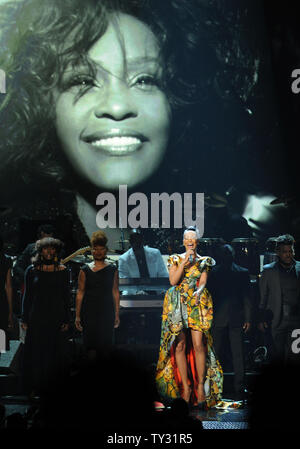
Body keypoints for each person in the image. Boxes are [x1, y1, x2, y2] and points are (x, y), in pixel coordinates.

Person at [0, 0, 258, 248]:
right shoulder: (14, 241)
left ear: (180, 97)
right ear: (42, 105)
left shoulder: (222, 240)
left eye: (144, 80)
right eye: (82, 81)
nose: (117, 106)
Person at [156, 226, 223, 409]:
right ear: (184, 241)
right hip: (177, 304)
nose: (190, 241)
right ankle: (185, 387)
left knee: (198, 344)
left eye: (193, 238)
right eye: (187, 238)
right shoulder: (176, 259)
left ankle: (200, 387)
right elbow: (173, 281)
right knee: (179, 344)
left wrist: (199, 292)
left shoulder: (204, 261)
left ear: (197, 242)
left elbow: (202, 282)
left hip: (196, 303)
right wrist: (184, 263)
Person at [21, 237, 70, 396]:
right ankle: (36, 386)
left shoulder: (63, 270)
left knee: (53, 352)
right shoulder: (31, 270)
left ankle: (52, 388)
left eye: (52, 248)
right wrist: (24, 318)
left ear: (56, 250)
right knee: (37, 352)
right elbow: (27, 296)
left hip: (55, 316)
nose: (49, 252)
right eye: (45, 249)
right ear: (40, 251)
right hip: (37, 316)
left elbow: (66, 297)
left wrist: (66, 319)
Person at [207, 244, 252, 401]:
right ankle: (216, 386)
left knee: (234, 354)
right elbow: (209, 297)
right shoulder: (215, 273)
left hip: (231, 318)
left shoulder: (239, 273)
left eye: (228, 253)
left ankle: (235, 388)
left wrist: (247, 318)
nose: (227, 255)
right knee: (219, 354)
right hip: (223, 318)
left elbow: (247, 298)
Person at [75, 231, 120, 360]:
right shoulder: (84, 270)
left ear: (106, 250)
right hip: (89, 312)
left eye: (101, 249)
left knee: (106, 348)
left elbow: (115, 292)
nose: (99, 252)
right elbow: (80, 293)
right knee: (90, 348)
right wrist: (77, 316)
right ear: (92, 251)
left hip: (107, 312)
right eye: (96, 249)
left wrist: (117, 314)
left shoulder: (112, 269)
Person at [258, 234, 300, 364]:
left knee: (295, 355)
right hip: (277, 320)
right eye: (285, 252)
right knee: (277, 357)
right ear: (278, 252)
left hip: (296, 322)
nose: (288, 254)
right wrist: (261, 318)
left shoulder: (299, 268)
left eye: (290, 251)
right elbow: (262, 297)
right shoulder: (269, 270)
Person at [14, 224, 55, 289]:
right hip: (32, 287)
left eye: (50, 235)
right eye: (46, 234)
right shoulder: (30, 248)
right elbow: (17, 267)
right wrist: (28, 277)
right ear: (41, 234)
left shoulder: (57, 250)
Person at [0, 234, 13, 353]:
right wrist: (10, 312)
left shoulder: (6, 260)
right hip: (2, 301)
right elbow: (8, 286)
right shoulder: (6, 260)